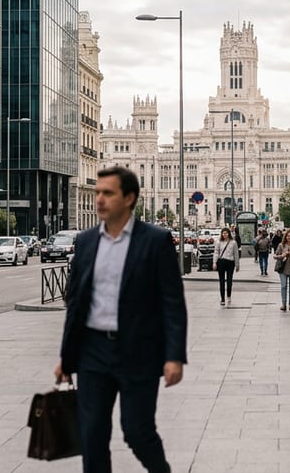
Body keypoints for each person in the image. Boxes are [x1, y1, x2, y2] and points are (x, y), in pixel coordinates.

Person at [54, 165, 186, 473]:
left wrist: (174, 356)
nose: (99, 199)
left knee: (137, 432)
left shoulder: (155, 240)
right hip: (93, 352)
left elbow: (172, 303)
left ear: (129, 198)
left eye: (107, 193)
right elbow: (76, 304)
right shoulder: (86, 241)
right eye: (98, 192)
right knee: (92, 436)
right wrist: (66, 356)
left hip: (138, 351)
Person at [274, 228, 290, 311]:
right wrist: (282, 255)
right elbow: (275, 255)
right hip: (283, 267)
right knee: (284, 286)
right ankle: (283, 304)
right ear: (285, 237)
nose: (289, 237)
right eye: (288, 236)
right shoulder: (281, 245)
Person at [214, 227, 239, 305]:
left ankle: (229, 295)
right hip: (221, 262)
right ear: (221, 234)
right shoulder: (218, 242)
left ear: (229, 234)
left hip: (230, 262)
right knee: (221, 281)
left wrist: (237, 264)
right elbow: (216, 252)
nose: (225, 234)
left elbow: (236, 254)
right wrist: (214, 262)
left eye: (226, 233)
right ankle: (222, 299)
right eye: (223, 233)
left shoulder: (233, 242)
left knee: (229, 280)